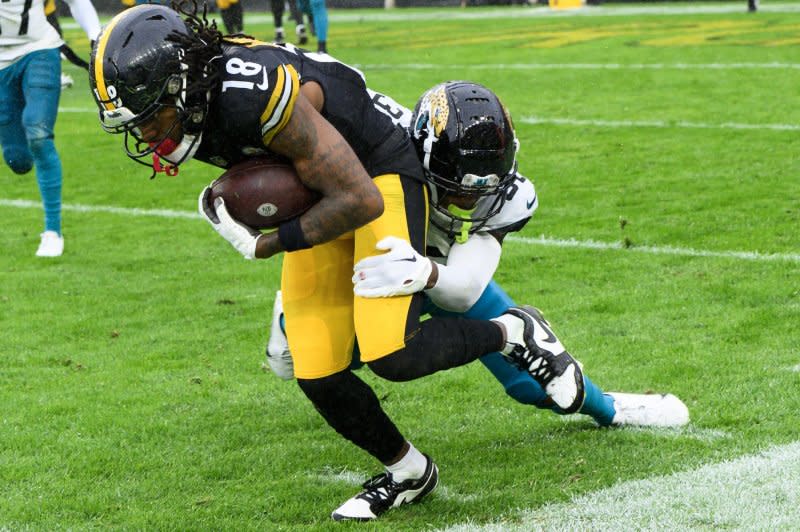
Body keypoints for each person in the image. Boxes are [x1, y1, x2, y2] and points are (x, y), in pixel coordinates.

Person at [89, 3, 586, 521]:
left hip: (376, 171)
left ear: (180, 87)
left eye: (149, 117)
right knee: (315, 368)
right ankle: (409, 472)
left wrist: (267, 243)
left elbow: (360, 200)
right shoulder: (206, 93)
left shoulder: (255, 101)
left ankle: (514, 332)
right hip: (324, 183)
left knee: (393, 353)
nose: (146, 135)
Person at [267, 81, 690, 429]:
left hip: (437, 269)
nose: (469, 200)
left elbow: (465, 292)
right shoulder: (380, 145)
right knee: (320, 357)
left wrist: (427, 273)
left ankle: (611, 409)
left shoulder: (509, 197)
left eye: (482, 188)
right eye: (456, 187)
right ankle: (285, 311)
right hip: (366, 259)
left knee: (529, 381)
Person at [1, 0, 100, 257]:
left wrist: (95, 37)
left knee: (38, 132)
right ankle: (33, 91)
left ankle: (52, 231)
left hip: (40, 49)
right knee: (17, 159)